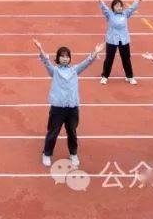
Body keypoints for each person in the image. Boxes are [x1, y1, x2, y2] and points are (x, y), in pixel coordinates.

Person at [33, 38, 103, 169]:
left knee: (72, 131)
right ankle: (47, 154)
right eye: (62, 56)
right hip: (57, 108)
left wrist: (95, 52)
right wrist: (40, 48)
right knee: (53, 131)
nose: (65, 59)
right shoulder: (54, 71)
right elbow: (46, 61)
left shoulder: (75, 70)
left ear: (70, 59)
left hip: (72, 107)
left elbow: (87, 62)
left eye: (67, 57)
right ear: (58, 58)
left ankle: (73, 154)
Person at [96, 0, 148, 85]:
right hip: (112, 40)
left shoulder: (125, 14)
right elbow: (103, 7)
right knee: (109, 59)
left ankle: (130, 77)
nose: (119, 8)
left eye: (120, 6)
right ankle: (104, 76)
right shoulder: (109, 14)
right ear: (113, 8)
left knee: (126, 58)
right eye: (116, 6)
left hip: (124, 40)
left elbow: (132, 7)